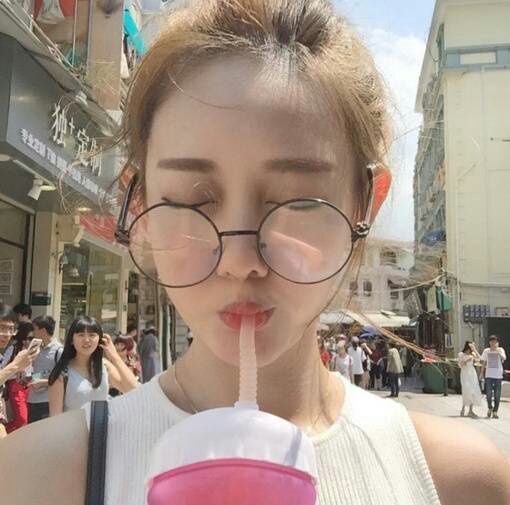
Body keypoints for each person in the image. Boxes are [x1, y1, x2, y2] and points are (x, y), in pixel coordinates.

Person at [1, 2, 510, 505]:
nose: (240, 259)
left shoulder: (461, 483)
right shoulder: (34, 479)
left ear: (365, 206)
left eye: (298, 200)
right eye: (192, 200)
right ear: (141, 206)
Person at [48, 316, 139, 415]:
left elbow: (134, 390)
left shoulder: (104, 366)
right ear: (71, 340)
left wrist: (114, 356)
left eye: (92, 335)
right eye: (81, 335)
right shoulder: (61, 374)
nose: (87, 340)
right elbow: (55, 418)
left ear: (100, 339)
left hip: (102, 425)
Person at [26, 315, 62, 423]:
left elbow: (64, 379)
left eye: (35, 329)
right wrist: (28, 378)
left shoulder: (59, 351)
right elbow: (39, 372)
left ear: (43, 331)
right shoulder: (36, 348)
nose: (33, 332)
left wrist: (43, 382)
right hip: (33, 400)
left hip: (48, 401)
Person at [4, 322, 34, 433]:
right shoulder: (13, 348)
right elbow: (3, 368)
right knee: (22, 420)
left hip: (29, 386)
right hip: (15, 386)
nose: (28, 341)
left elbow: (34, 370)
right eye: (26, 338)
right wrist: (16, 370)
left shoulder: (34, 350)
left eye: (31, 338)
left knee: (26, 421)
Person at [481, 335, 507, 420]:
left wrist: (498, 351)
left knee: (497, 395)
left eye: (495, 342)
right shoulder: (486, 351)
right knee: (488, 394)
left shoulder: (500, 349)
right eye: (492, 341)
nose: (493, 343)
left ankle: (495, 411)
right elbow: (484, 362)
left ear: (497, 342)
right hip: (489, 375)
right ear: (489, 342)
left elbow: (504, 358)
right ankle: (490, 407)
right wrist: (481, 373)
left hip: (498, 375)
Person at [458, 341, 483, 418]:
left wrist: (475, 349)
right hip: (465, 373)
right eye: (471, 347)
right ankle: (463, 408)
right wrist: (466, 361)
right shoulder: (461, 354)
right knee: (466, 390)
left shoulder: (473, 354)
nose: (471, 349)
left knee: (473, 390)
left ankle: (470, 410)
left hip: (472, 373)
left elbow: (480, 359)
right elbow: (460, 365)